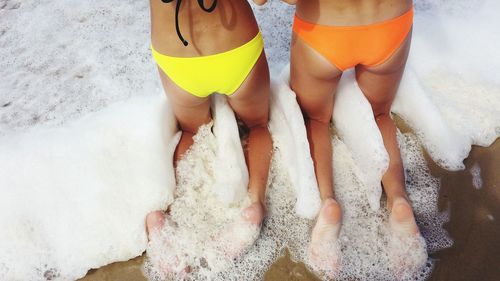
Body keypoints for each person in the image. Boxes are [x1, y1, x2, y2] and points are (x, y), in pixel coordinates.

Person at [274, 0, 422, 273]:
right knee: (378, 115)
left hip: (325, 31)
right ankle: (398, 199)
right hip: (390, 25)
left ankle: (328, 203)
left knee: (315, 118)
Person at [145, 0, 272, 270]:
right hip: (234, 47)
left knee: (192, 130)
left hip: (177, 56)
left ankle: (166, 217)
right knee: (258, 125)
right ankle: (253, 205)